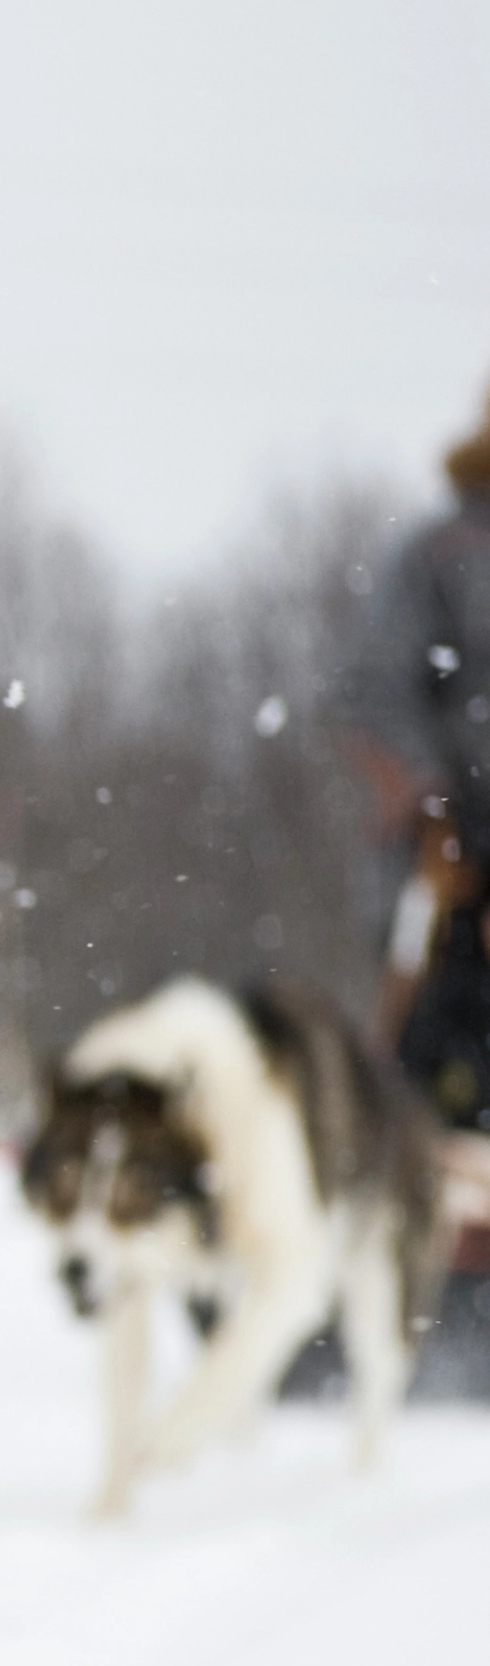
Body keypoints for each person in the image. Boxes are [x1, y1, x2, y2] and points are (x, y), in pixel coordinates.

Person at [338, 386, 490, 1393]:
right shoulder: (443, 556)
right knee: (425, 1070)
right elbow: (376, 691)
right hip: (453, 868)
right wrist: (436, 811)